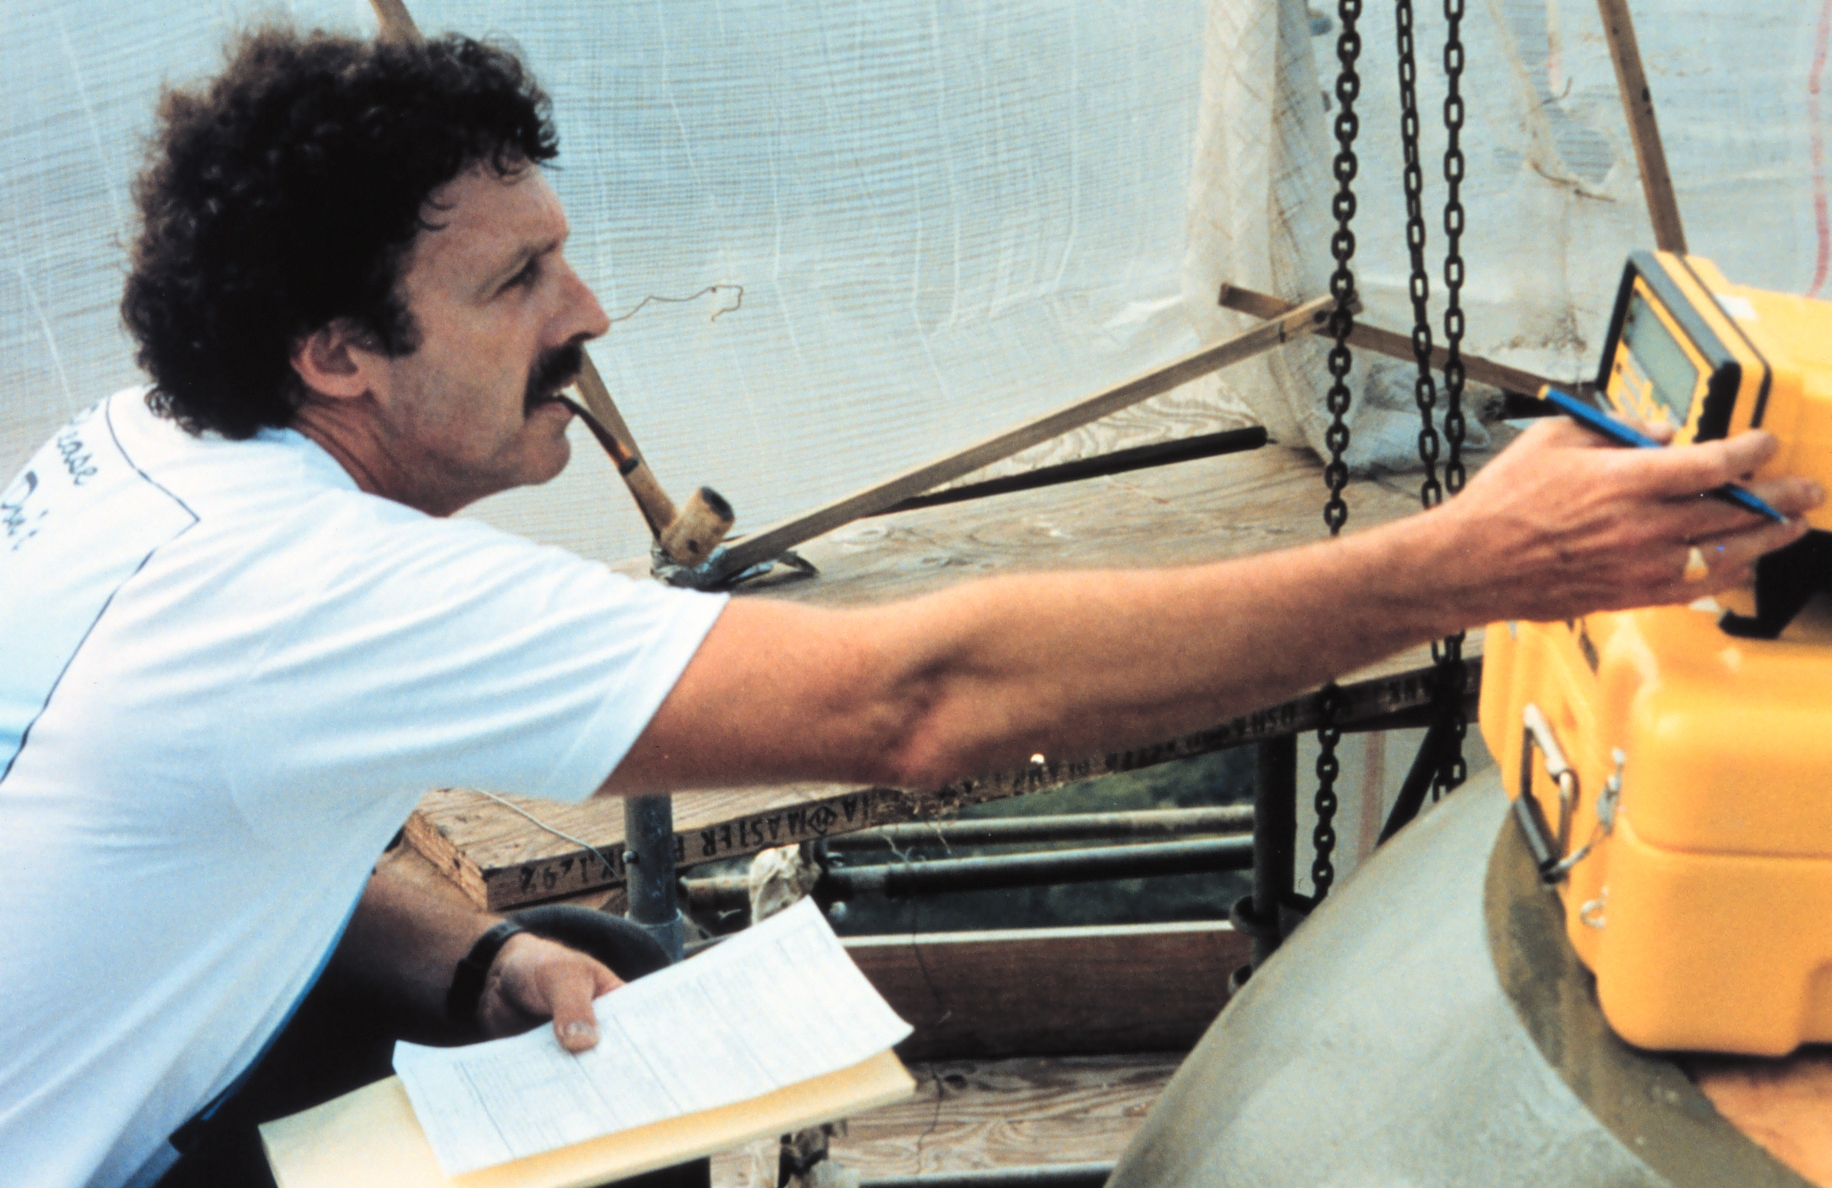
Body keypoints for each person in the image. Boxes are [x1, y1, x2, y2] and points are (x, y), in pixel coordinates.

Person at [0, 25, 1819, 1188]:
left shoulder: (159, 445)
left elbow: (238, 813)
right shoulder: (302, 585)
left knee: (594, 988)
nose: (593, 312)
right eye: (518, 280)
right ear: (336, 353)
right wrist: (1470, 565)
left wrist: (466, 955)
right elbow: (917, 702)